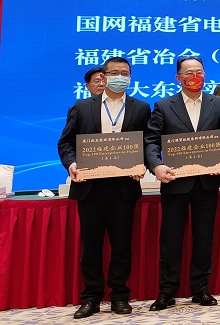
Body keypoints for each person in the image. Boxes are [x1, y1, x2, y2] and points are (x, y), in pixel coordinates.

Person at [57, 57, 151, 319]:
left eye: (125, 73)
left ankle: (120, 295)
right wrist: (72, 164)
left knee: (121, 245)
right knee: (91, 245)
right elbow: (65, 143)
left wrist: (144, 164)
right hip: (90, 187)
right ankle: (91, 297)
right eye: (114, 73)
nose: (120, 77)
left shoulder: (141, 108)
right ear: (104, 76)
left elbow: (148, 143)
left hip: (124, 186)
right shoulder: (82, 107)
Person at [144, 57, 220, 311]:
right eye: (189, 73)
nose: (195, 77)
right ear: (178, 78)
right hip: (175, 181)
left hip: (207, 181)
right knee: (171, 239)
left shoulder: (217, 104)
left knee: (204, 237)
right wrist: (156, 165)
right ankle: (167, 291)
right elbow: (151, 141)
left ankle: (200, 289)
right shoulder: (164, 106)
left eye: (199, 72)